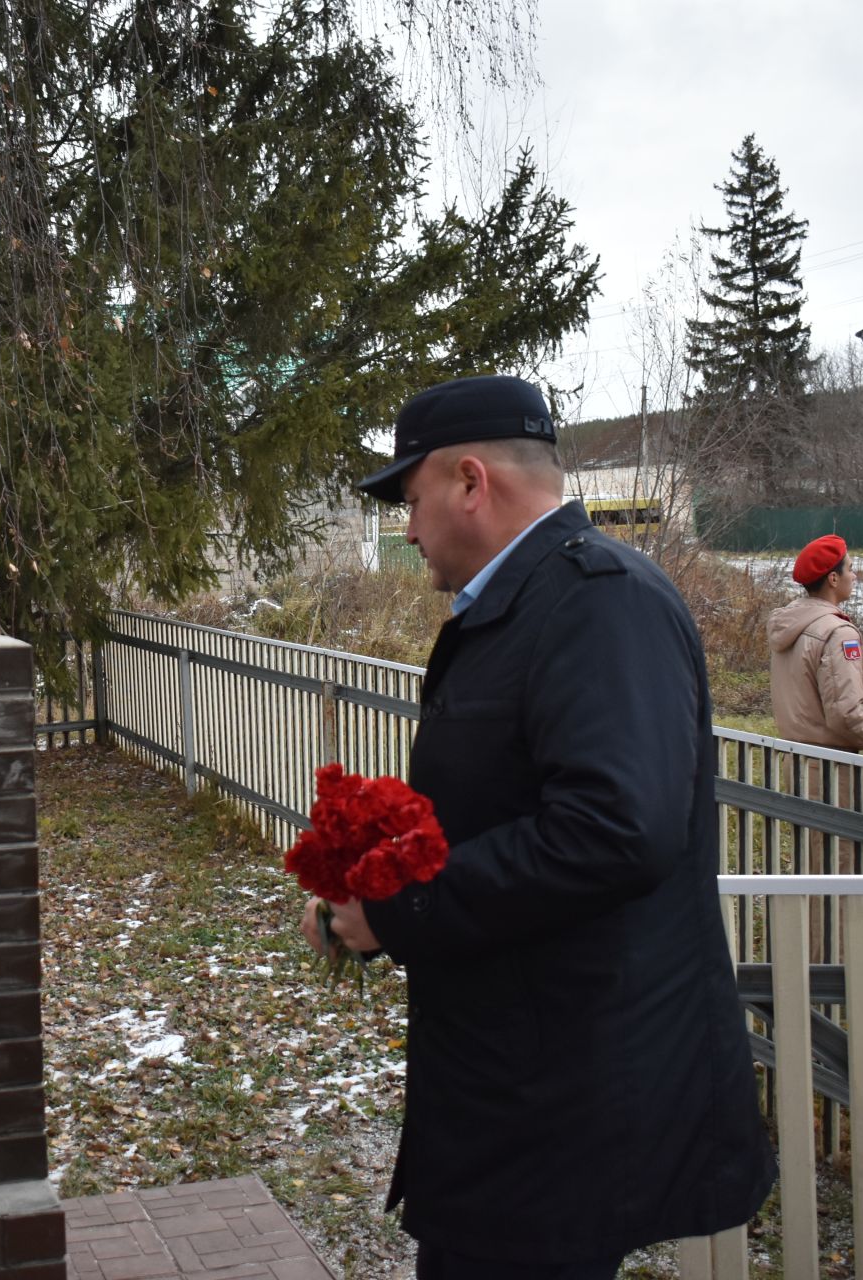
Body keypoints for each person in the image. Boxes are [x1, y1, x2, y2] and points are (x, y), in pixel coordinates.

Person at [303, 374, 773, 1278]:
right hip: (518, 1076)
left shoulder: (601, 601)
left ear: (471, 482)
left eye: (410, 498)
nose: (406, 528)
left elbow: (613, 831)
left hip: (564, 1092)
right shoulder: (531, 603)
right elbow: (507, 806)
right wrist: (372, 888)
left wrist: (400, 908)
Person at [768, 535, 863, 756]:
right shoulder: (838, 633)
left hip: (794, 758)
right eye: (850, 569)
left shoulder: (790, 623)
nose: (854, 576)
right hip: (831, 770)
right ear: (833, 578)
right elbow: (847, 714)